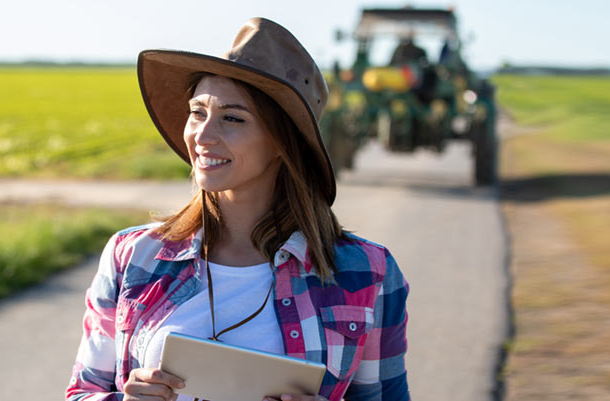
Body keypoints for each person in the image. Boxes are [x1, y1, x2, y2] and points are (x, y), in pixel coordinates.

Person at [66, 18, 410, 401]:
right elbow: (84, 391)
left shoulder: (368, 272)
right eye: (197, 112)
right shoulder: (132, 257)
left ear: (282, 140)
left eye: (232, 118)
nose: (203, 136)